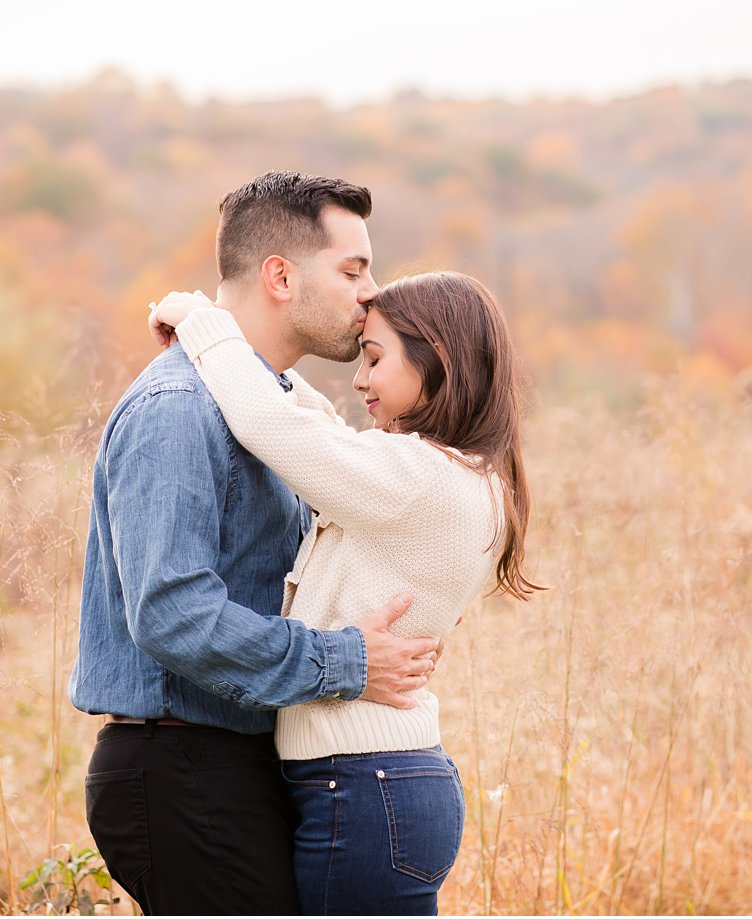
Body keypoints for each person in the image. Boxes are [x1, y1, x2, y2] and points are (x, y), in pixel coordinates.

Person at [69, 171, 442, 916]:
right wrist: (346, 661)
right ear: (280, 276)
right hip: (178, 767)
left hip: (234, 761)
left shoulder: (261, 409)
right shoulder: (178, 409)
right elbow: (174, 613)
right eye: (353, 269)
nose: (372, 291)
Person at [148, 269, 539, 915]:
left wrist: (205, 325)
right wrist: (247, 353)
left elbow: (274, 428)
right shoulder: (460, 477)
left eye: (376, 358)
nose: (360, 380)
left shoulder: (417, 476)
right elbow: (324, 433)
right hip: (378, 780)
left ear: (435, 360)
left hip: (363, 782)